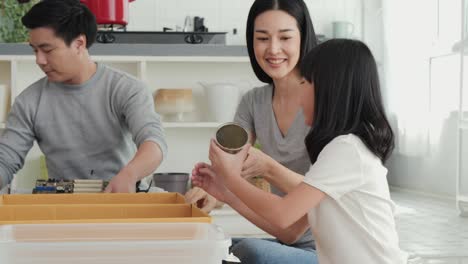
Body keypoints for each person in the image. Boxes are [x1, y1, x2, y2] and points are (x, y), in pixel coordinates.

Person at [193, 39, 408, 264]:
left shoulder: (347, 149)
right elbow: (290, 231)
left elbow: (282, 213)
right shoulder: (337, 152)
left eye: (304, 82)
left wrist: (229, 177)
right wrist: (226, 193)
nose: (297, 93)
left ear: (330, 88)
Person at [186, 0, 318, 263]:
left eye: (285, 37)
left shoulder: (323, 99)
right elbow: (229, 164)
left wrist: (260, 170)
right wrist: (210, 190)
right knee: (202, 249)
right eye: (262, 38)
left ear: (303, 39)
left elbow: (300, 221)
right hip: (286, 240)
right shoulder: (253, 102)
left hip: (328, 246)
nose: (273, 49)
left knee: (248, 251)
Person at [0, 0, 167, 193]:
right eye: (35, 50)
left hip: (122, 198)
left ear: (79, 44)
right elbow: (5, 160)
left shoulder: (126, 88)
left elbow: (154, 142)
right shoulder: (28, 101)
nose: (39, 60)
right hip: (63, 205)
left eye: (47, 50)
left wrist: (129, 175)